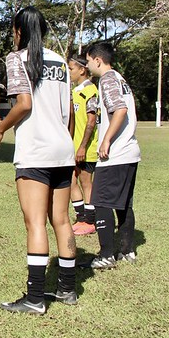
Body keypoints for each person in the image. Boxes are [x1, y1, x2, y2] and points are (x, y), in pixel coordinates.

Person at [0, 6, 77, 315]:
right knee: (62, 221)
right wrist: (66, 145)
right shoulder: (60, 62)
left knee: (35, 222)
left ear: (20, 31)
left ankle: (35, 297)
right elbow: (71, 112)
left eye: (13, 30)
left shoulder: (17, 59)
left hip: (36, 152)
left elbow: (23, 104)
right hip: (63, 151)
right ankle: (67, 289)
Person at [85, 42, 141, 269]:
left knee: (101, 202)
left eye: (88, 61)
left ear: (97, 60)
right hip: (130, 153)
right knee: (124, 204)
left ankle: (106, 254)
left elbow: (120, 110)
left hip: (115, 154)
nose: (88, 66)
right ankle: (127, 251)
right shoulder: (120, 78)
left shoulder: (107, 79)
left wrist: (106, 139)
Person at [67, 54, 98, 235]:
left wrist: (82, 147)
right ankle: (81, 217)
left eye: (71, 69)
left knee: (86, 182)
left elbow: (91, 121)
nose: (69, 72)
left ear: (82, 70)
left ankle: (90, 221)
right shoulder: (75, 91)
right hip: (73, 146)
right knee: (71, 180)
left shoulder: (90, 90)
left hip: (85, 148)